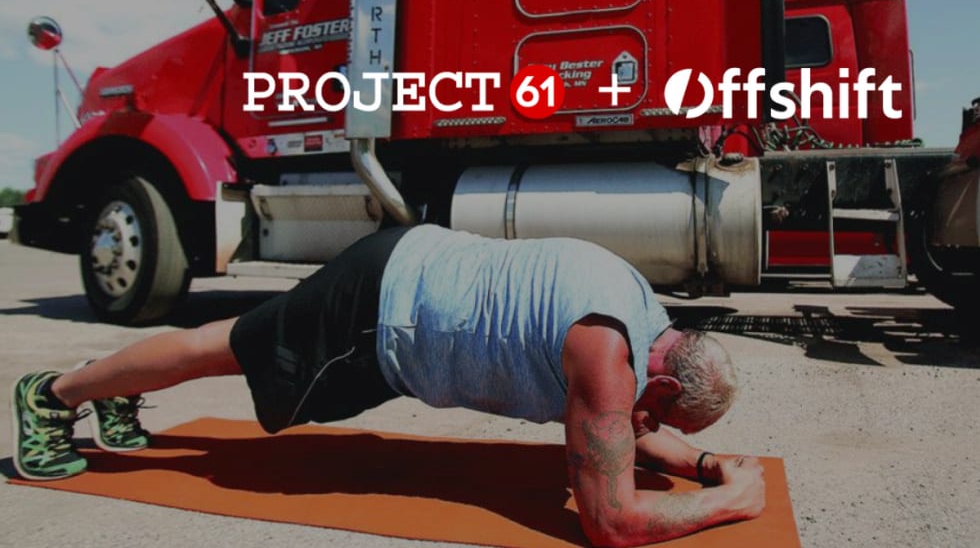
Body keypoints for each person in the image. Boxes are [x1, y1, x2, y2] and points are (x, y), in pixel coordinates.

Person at [11, 224, 765, 547]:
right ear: (660, 385)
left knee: (228, 346)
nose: (647, 427)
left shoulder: (647, 316)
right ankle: (57, 394)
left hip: (410, 267)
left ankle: (99, 391)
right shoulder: (605, 358)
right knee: (226, 347)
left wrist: (702, 466)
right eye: (668, 421)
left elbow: (628, 431)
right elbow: (611, 524)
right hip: (379, 313)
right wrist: (728, 501)